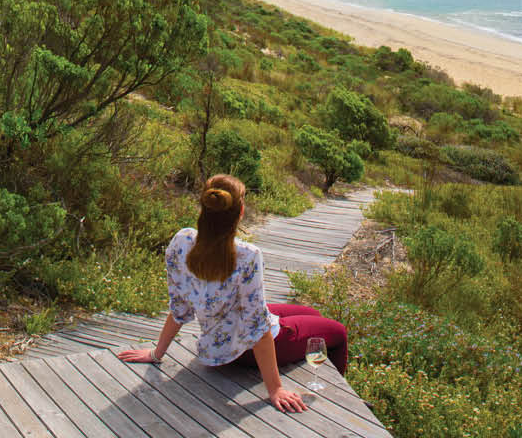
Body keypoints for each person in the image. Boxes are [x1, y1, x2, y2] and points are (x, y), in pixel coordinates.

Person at [117, 174, 351, 413]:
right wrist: (275, 389)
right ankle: (341, 402)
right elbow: (258, 330)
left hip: (213, 347)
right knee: (338, 333)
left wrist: (157, 353)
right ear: (240, 213)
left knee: (312, 313)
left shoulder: (182, 241)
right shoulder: (247, 255)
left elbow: (180, 306)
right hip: (244, 354)